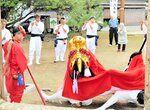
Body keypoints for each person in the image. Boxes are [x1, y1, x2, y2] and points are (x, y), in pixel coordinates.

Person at [3, 25, 28, 103]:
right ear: (17, 34)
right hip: (16, 74)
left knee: (12, 93)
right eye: (22, 35)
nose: (23, 37)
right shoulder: (17, 47)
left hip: (8, 72)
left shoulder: (7, 43)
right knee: (18, 93)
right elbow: (23, 64)